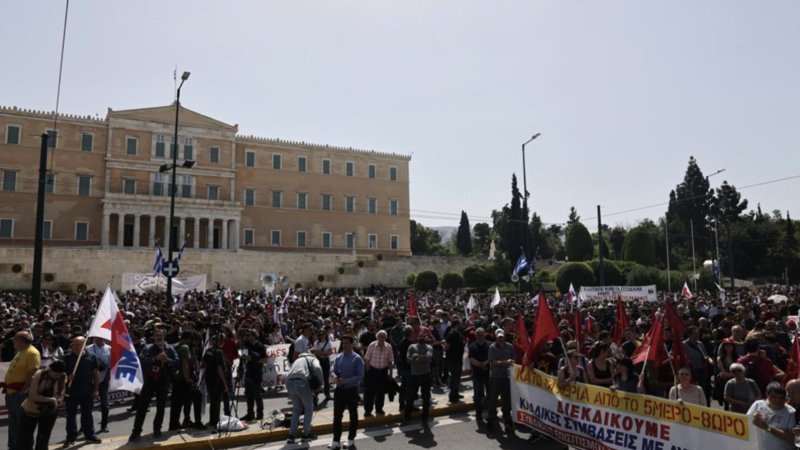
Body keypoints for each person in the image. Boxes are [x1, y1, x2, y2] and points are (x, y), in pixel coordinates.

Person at [129, 327, 178, 442]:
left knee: (161, 408)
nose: (159, 337)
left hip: (162, 382)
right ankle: (136, 431)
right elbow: (141, 360)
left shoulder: (170, 349)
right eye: (157, 335)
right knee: (142, 408)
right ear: (154, 337)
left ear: (164, 336)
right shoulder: (148, 348)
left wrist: (167, 360)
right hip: (149, 382)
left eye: (161, 335)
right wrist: (155, 358)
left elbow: (176, 363)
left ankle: (157, 429)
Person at [3, 331, 41, 450]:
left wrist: (24, 391)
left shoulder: (32, 353)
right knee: (14, 422)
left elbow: (32, 374)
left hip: (20, 394)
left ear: (22, 341)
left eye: (15, 339)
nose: (13, 341)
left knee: (23, 424)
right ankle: (14, 446)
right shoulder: (21, 352)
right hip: (11, 394)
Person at [18, 360, 66, 450]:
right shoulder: (40, 374)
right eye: (55, 374)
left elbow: (61, 393)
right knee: (25, 440)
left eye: (59, 374)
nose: (57, 376)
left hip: (49, 411)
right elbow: (32, 395)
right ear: (50, 370)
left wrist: (59, 400)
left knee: (43, 438)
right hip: (30, 410)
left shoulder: (62, 376)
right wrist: (50, 399)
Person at [63, 337, 102, 445]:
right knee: (71, 416)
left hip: (87, 391)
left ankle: (90, 436)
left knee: (87, 414)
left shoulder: (92, 357)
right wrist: (67, 377)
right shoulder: (66, 357)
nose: (75, 346)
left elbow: (96, 374)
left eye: (78, 344)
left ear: (84, 345)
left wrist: (96, 390)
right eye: (74, 344)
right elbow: (60, 375)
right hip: (71, 392)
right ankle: (71, 438)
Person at [328, 335, 365, 450]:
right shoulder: (338, 357)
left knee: (353, 415)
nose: (344, 345)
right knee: (337, 416)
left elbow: (360, 375)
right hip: (339, 390)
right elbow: (332, 369)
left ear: (352, 344)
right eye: (343, 343)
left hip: (352, 390)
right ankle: (336, 440)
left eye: (347, 343)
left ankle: (350, 439)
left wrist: (347, 381)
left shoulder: (357, 358)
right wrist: (334, 376)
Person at [285, 349, 324, 444]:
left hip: (289, 383)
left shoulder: (297, 360)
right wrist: (320, 384)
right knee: (309, 408)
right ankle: (306, 434)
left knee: (296, 409)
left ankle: (291, 435)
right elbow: (318, 368)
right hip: (302, 382)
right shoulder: (312, 358)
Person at [747, 382, 796, 450]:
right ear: (767, 394)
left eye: (781, 398)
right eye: (774, 397)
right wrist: (752, 419)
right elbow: (746, 424)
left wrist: (767, 427)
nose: (778, 400)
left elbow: (791, 438)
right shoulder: (758, 405)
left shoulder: (791, 411)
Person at [169, 331, 201, 430]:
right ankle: (197, 422)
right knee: (198, 396)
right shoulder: (184, 347)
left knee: (177, 403)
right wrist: (188, 379)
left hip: (175, 379)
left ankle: (175, 424)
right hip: (183, 380)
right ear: (188, 339)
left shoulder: (174, 346)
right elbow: (185, 364)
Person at [403, 329, 434, 432]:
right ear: (417, 338)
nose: (422, 338)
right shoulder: (412, 347)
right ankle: (407, 417)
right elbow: (408, 360)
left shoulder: (429, 347)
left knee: (426, 398)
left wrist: (417, 357)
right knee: (410, 397)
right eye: (420, 336)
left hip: (426, 376)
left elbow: (428, 357)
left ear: (426, 338)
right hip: (414, 376)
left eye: (423, 337)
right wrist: (420, 359)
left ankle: (424, 418)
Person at [486, 330, 515, 436]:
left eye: (502, 337)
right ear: (496, 338)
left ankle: (507, 419)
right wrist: (505, 362)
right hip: (495, 377)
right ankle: (491, 418)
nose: (500, 339)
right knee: (493, 399)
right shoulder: (492, 347)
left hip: (507, 377)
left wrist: (509, 362)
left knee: (507, 399)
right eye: (498, 338)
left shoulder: (510, 346)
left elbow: (514, 359)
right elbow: (493, 362)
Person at [363, 330, 394, 417]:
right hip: (372, 371)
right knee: (369, 393)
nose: (381, 338)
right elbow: (367, 359)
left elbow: (390, 361)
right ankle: (368, 411)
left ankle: (379, 409)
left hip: (383, 372)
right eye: (380, 336)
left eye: (383, 336)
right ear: (377, 337)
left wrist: (390, 375)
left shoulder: (389, 347)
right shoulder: (372, 345)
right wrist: (368, 370)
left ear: (385, 337)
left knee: (381, 392)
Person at [203, 332, 229, 429]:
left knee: (213, 401)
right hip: (216, 380)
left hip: (209, 379)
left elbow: (204, 364)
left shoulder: (208, 350)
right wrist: (225, 383)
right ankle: (215, 421)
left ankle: (212, 420)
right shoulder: (218, 352)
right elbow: (220, 368)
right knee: (216, 402)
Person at [84, 337, 111, 433]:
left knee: (104, 403)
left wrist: (104, 364)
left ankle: (104, 425)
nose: (99, 339)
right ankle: (85, 425)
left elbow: (112, 364)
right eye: (97, 338)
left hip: (103, 379)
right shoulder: (88, 348)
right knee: (88, 404)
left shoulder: (109, 348)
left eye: (101, 338)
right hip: (91, 380)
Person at [241, 329, 268, 422]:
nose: (247, 337)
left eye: (249, 335)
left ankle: (260, 414)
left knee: (257, 395)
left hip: (256, 373)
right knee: (248, 395)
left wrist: (254, 360)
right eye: (246, 335)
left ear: (254, 336)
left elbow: (265, 360)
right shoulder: (247, 345)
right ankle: (250, 414)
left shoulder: (260, 346)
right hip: (248, 372)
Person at [468, 327, 490, 425]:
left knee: (490, 394)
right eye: (478, 334)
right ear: (475, 336)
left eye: (481, 334)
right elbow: (471, 359)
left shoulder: (490, 345)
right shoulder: (472, 346)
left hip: (489, 374)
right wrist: (481, 365)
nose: (480, 336)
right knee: (478, 395)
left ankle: (491, 413)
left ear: (484, 334)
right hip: (477, 374)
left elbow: (492, 357)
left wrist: (485, 364)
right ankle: (478, 414)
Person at [443, 320, 465, 404]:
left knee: (457, 378)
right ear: (456, 324)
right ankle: (452, 396)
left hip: (458, 359)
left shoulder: (459, 333)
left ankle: (456, 393)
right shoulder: (450, 334)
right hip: (452, 359)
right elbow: (446, 347)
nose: (461, 325)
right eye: (460, 324)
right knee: (454, 378)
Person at [312, 330, 334, 402]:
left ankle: (327, 394)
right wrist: (324, 353)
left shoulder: (328, 343)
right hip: (318, 361)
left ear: (325, 335)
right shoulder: (316, 343)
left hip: (325, 361)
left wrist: (321, 352)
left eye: (323, 334)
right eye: (320, 334)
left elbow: (330, 352)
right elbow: (315, 352)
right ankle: (316, 394)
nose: (322, 336)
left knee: (326, 379)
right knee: (317, 378)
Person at [396, 326, 414, 414]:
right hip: (408, 368)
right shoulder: (410, 343)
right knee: (409, 388)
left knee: (403, 387)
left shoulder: (400, 343)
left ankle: (402, 404)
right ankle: (409, 405)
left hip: (402, 367)